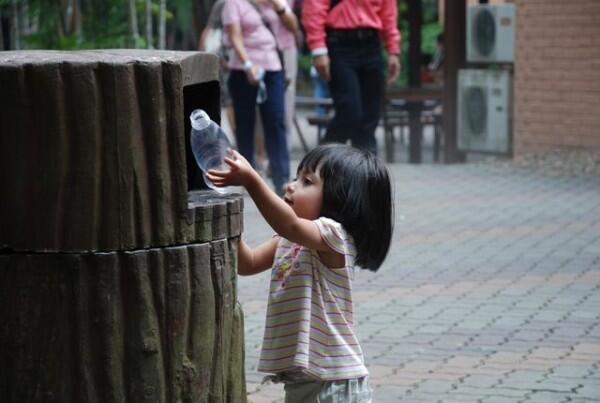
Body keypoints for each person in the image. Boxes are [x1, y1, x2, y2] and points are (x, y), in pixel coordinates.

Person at [207, 144, 393, 402]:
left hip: (335, 382)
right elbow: (247, 263)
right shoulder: (287, 241)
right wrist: (223, 214)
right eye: (296, 177)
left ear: (338, 198)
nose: (291, 185)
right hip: (305, 381)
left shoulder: (334, 236)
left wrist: (252, 180)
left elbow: (291, 224)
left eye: (307, 181)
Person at [302, 0, 401, 154]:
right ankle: (320, 163)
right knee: (349, 111)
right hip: (339, 43)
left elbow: (388, 11)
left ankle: (366, 174)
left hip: (372, 44)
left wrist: (393, 49)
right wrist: (318, 49)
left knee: (370, 116)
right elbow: (315, 7)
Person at [222, 0, 298, 195]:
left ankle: (281, 177)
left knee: (275, 120)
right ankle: (246, 175)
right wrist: (247, 64)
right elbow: (234, 34)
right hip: (242, 68)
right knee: (245, 123)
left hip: (273, 67)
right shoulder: (235, 3)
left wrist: (279, 6)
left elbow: (293, 27)